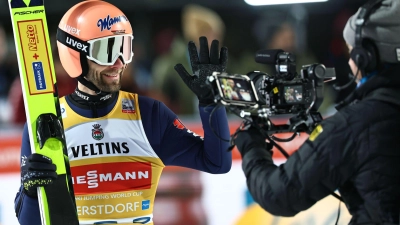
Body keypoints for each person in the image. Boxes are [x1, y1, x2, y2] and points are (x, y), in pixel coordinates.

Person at [13, 1, 231, 225]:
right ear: (74, 53)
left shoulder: (148, 115)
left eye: (124, 49)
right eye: (106, 51)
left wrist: (212, 102)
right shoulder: (48, 123)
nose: (119, 63)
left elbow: (218, 162)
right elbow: (29, 221)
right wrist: (31, 190)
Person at [233, 0, 400, 224]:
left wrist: (252, 146)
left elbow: (279, 194)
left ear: (366, 58)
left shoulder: (354, 125)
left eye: (352, 54)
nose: (350, 63)